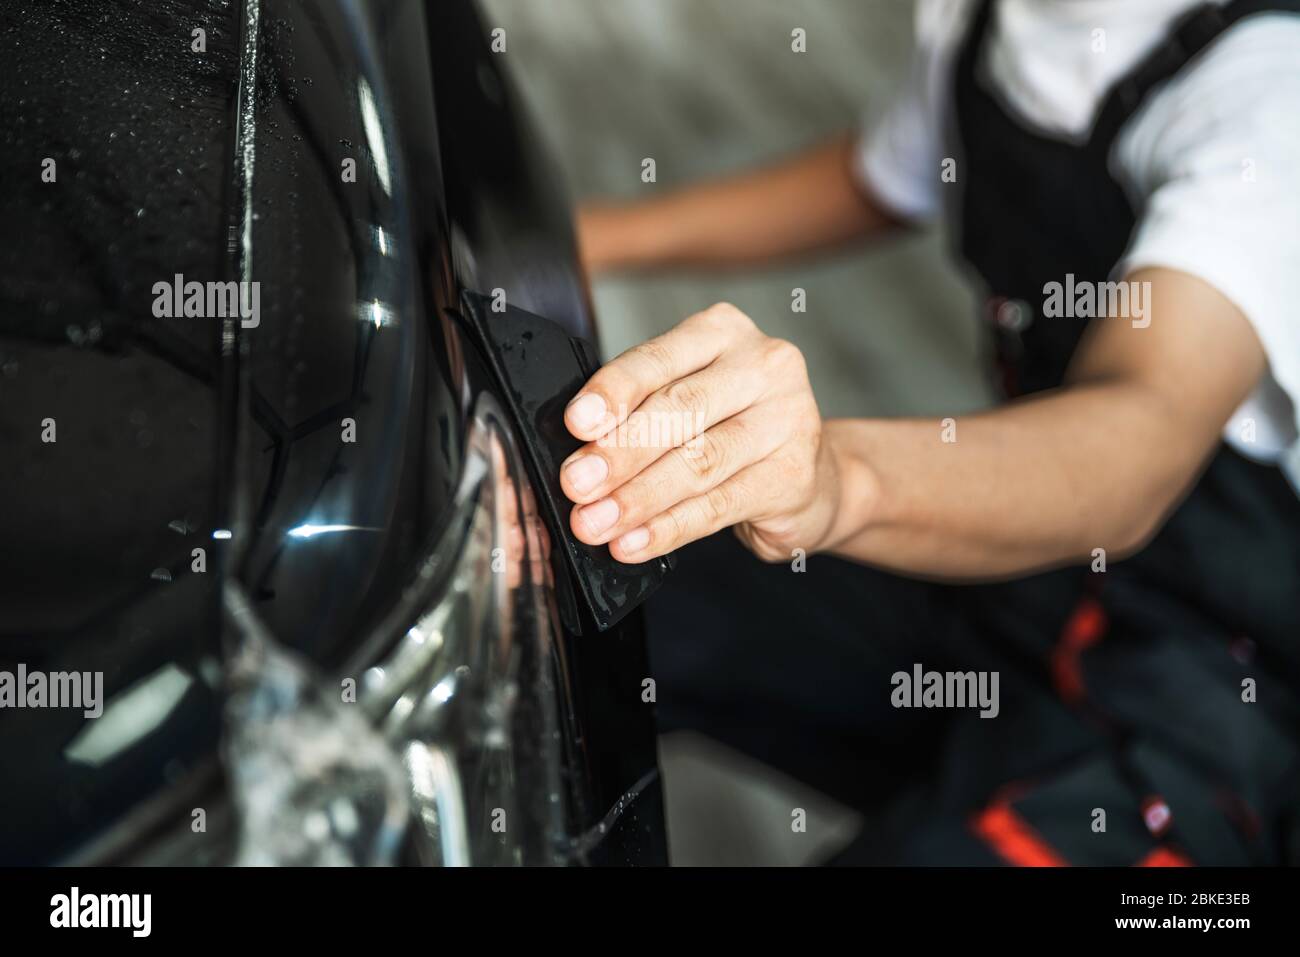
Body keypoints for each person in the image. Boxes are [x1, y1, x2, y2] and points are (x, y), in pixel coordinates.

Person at [557, 0, 1300, 865]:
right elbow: (881, 177)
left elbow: (1137, 438)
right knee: (590, 579)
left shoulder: (1267, 90)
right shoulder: (995, 20)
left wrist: (838, 480)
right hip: (1010, 581)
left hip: (1197, 704)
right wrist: (582, 239)